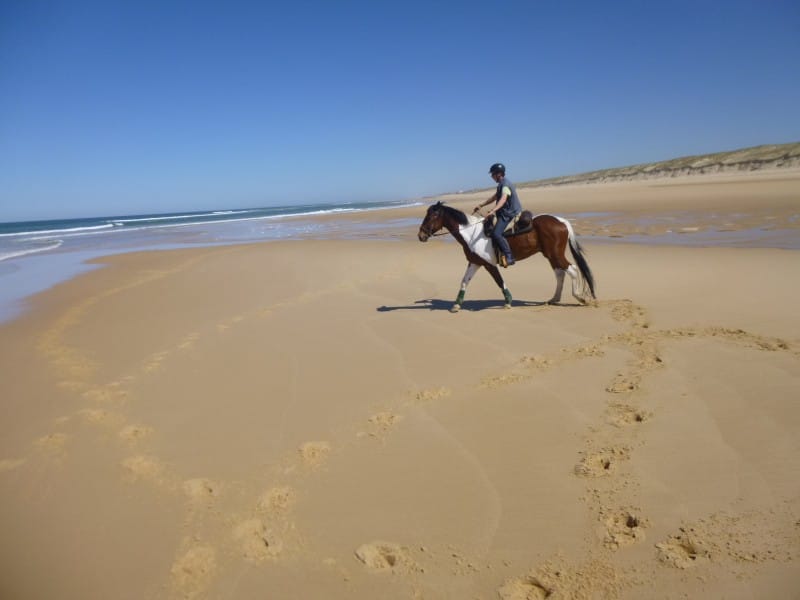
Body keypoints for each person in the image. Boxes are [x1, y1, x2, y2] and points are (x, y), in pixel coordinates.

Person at [473, 162, 522, 266]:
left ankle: (509, 256)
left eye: (492, 174)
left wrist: (492, 211)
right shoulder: (501, 184)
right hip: (505, 212)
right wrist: (481, 205)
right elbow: (495, 197)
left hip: (509, 214)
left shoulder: (505, 185)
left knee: (496, 234)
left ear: (498, 174)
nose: (491, 176)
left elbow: (503, 199)